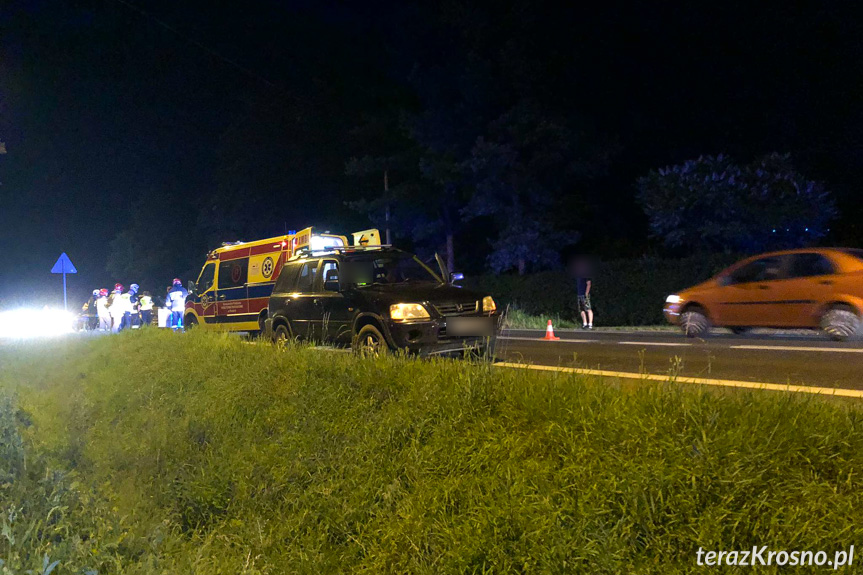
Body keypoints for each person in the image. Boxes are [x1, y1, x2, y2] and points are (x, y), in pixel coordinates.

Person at [575, 262, 594, 329]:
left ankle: (590, 324)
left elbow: (589, 284)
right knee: (581, 310)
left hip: (584, 294)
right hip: (579, 294)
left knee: (588, 309)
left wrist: (586, 293)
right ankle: (584, 323)